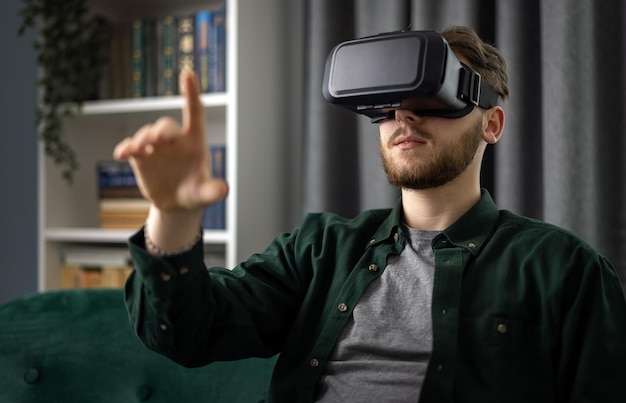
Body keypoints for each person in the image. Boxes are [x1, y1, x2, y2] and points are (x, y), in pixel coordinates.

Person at [113, 26, 626, 402]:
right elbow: (185, 333)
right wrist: (172, 216)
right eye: (385, 102)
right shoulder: (319, 250)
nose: (403, 114)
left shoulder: (565, 272)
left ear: (491, 123)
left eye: (432, 95)